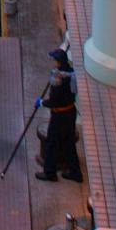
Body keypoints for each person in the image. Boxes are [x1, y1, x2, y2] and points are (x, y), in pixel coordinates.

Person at [36, 48, 83, 182]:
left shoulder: (58, 79)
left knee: (51, 144)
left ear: (58, 62)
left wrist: (41, 103)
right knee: (69, 143)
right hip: (70, 112)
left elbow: (54, 102)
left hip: (59, 116)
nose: (52, 62)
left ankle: (49, 173)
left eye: (54, 60)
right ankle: (75, 172)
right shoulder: (70, 73)